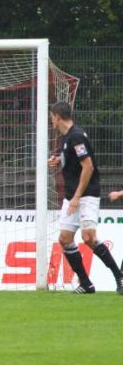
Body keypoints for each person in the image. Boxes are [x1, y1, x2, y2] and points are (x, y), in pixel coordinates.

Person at [48, 101, 123, 294]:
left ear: (57, 116)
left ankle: (119, 276)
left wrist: (77, 197)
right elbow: (73, 161)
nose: (51, 121)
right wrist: (59, 160)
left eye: (51, 117)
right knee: (65, 239)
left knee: (88, 237)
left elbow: (88, 167)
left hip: (86, 194)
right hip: (72, 196)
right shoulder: (66, 139)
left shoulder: (77, 137)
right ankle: (86, 284)